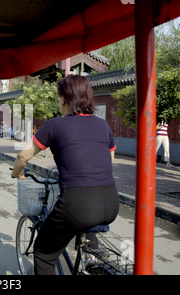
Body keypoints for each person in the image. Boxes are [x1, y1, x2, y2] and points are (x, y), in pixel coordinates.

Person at [11, 75, 119, 275]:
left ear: (64, 99)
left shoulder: (55, 125)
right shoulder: (103, 125)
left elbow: (23, 155)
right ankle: (91, 261)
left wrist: (17, 173)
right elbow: (110, 159)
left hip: (78, 203)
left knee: (44, 252)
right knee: (85, 224)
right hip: (111, 202)